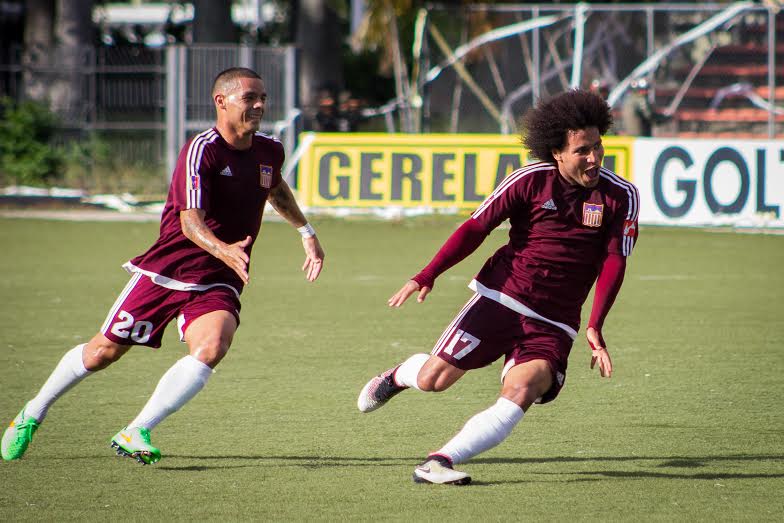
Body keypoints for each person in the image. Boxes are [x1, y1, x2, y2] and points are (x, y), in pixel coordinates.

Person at [1, 67, 325, 465]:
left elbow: (274, 187)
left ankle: (137, 429)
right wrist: (224, 249)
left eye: (263, 98)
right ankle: (32, 412)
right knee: (101, 353)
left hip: (219, 278)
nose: (259, 105)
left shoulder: (269, 150)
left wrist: (305, 231)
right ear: (221, 101)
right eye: (249, 98)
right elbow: (190, 221)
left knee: (211, 348)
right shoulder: (201, 149)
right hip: (168, 270)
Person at [357, 89, 639, 485]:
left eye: (598, 146)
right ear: (556, 152)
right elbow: (476, 228)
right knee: (434, 381)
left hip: (555, 321)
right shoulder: (529, 180)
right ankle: (399, 375)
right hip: (503, 297)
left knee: (524, 388)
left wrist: (595, 325)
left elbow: (614, 259)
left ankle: (440, 461)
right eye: (581, 150)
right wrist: (428, 273)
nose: (593, 158)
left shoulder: (620, 196)